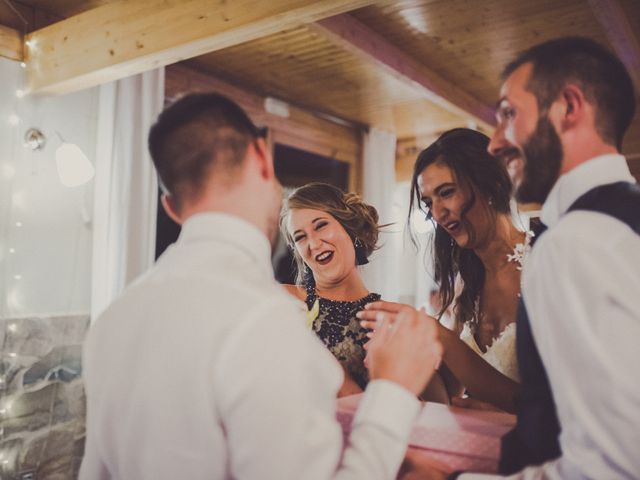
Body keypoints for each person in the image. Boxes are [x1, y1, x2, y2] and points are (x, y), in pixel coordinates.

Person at [79, 92, 443, 480]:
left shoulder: (110, 321)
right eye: (302, 234)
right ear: (261, 158)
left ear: (172, 207)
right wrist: (392, 394)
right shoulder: (265, 316)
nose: (311, 242)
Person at [409, 36, 640, 479]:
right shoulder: (614, 222)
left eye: (509, 115)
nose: (495, 144)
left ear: (569, 107)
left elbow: (609, 466)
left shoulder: (574, 242)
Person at [360, 128, 527, 413]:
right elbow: (447, 397)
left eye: (446, 193)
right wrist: (408, 356)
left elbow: (559, 403)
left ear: (489, 185)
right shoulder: (467, 282)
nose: (436, 214)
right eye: (428, 203)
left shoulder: (544, 263)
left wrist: (441, 336)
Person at [280, 182, 382, 397]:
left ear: (350, 228)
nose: (314, 244)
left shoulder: (385, 320)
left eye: (320, 225)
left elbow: (435, 404)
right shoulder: (282, 302)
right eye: (300, 237)